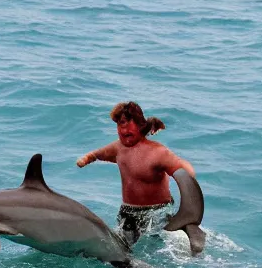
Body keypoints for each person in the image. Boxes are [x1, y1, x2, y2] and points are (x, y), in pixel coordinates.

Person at [76, 101, 199, 247]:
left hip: (157, 213)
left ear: (141, 125)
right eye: (120, 124)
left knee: (157, 249)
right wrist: (86, 159)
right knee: (121, 252)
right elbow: (97, 154)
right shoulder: (118, 148)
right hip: (128, 213)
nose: (124, 129)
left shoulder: (157, 152)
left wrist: (186, 173)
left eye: (128, 124)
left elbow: (185, 170)